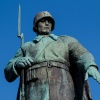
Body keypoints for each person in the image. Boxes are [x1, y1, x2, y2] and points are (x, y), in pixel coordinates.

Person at [4, 11, 100, 100]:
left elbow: (82, 54)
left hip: (63, 87)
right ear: (35, 26)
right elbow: (8, 72)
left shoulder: (65, 40)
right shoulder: (26, 47)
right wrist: (16, 63)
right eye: (43, 21)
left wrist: (90, 65)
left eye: (49, 22)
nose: (47, 24)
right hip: (34, 88)